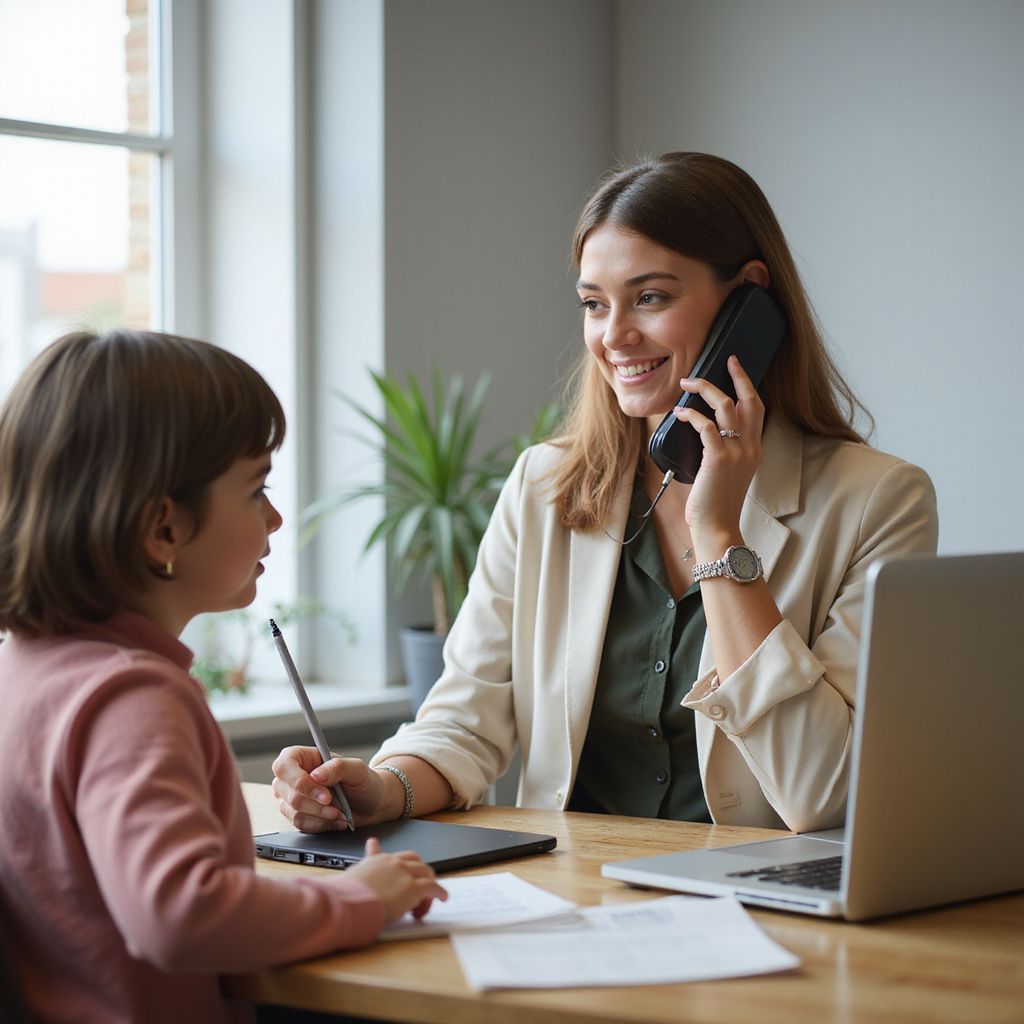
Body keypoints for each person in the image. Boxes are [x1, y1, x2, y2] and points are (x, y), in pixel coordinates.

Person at [271, 151, 938, 836]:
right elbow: (466, 719)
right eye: (594, 304)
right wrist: (384, 789)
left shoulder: (879, 502)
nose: (613, 336)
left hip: (762, 907)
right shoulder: (543, 486)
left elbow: (828, 793)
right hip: (572, 896)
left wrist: (719, 540)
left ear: (750, 300)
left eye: (650, 297)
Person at [0, 330, 445, 1024]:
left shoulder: (21, 668)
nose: (274, 517)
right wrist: (364, 896)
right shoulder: (132, 697)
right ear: (163, 530)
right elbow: (178, 914)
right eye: (255, 489)